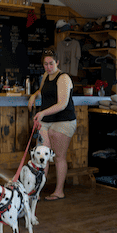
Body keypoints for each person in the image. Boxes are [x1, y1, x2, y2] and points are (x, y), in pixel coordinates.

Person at [27, 48, 76, 201]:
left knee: (59, 157)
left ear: (57, 62)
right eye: (45, 64)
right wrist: (34, 95)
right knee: (41, 155)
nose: (48, 67)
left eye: (51, 64)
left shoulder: (64, 78)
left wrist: (42, 113)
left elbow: (62, 104)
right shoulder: (45, 76)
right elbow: (43, 90)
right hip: (47, 120)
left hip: (64, 120)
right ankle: (38, 190)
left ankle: (59, 191)